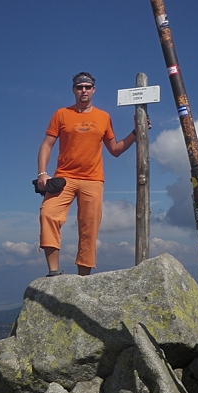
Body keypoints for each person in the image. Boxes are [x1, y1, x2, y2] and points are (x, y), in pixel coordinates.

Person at [36, 72, 137, 276]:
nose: (84, 90)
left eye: (87, 87)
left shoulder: (103, 117)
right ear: (73, 90)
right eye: (80, 87)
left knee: (89, 229)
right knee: (48, 214)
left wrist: (136, 133)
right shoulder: (61, 114)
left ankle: (84, 279)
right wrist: (42, 173)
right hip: (64, 177)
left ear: (94, 90)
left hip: (93, 180)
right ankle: (53, 272)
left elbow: (115, 149)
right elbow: (47, 145)